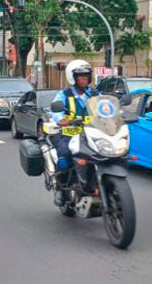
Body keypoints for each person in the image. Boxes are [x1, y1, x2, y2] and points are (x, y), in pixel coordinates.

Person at [50, 59, 99, 206]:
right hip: (68, 133)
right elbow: (56, 111)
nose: (84, 78)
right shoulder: (64, 95)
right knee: (64, 157)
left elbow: (107, 107)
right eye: (80, 76)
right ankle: (61, 189)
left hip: (91, 133)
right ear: (73, 78)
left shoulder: (95, 94)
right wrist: (61, 119)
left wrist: (119, 114)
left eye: (86, 75)